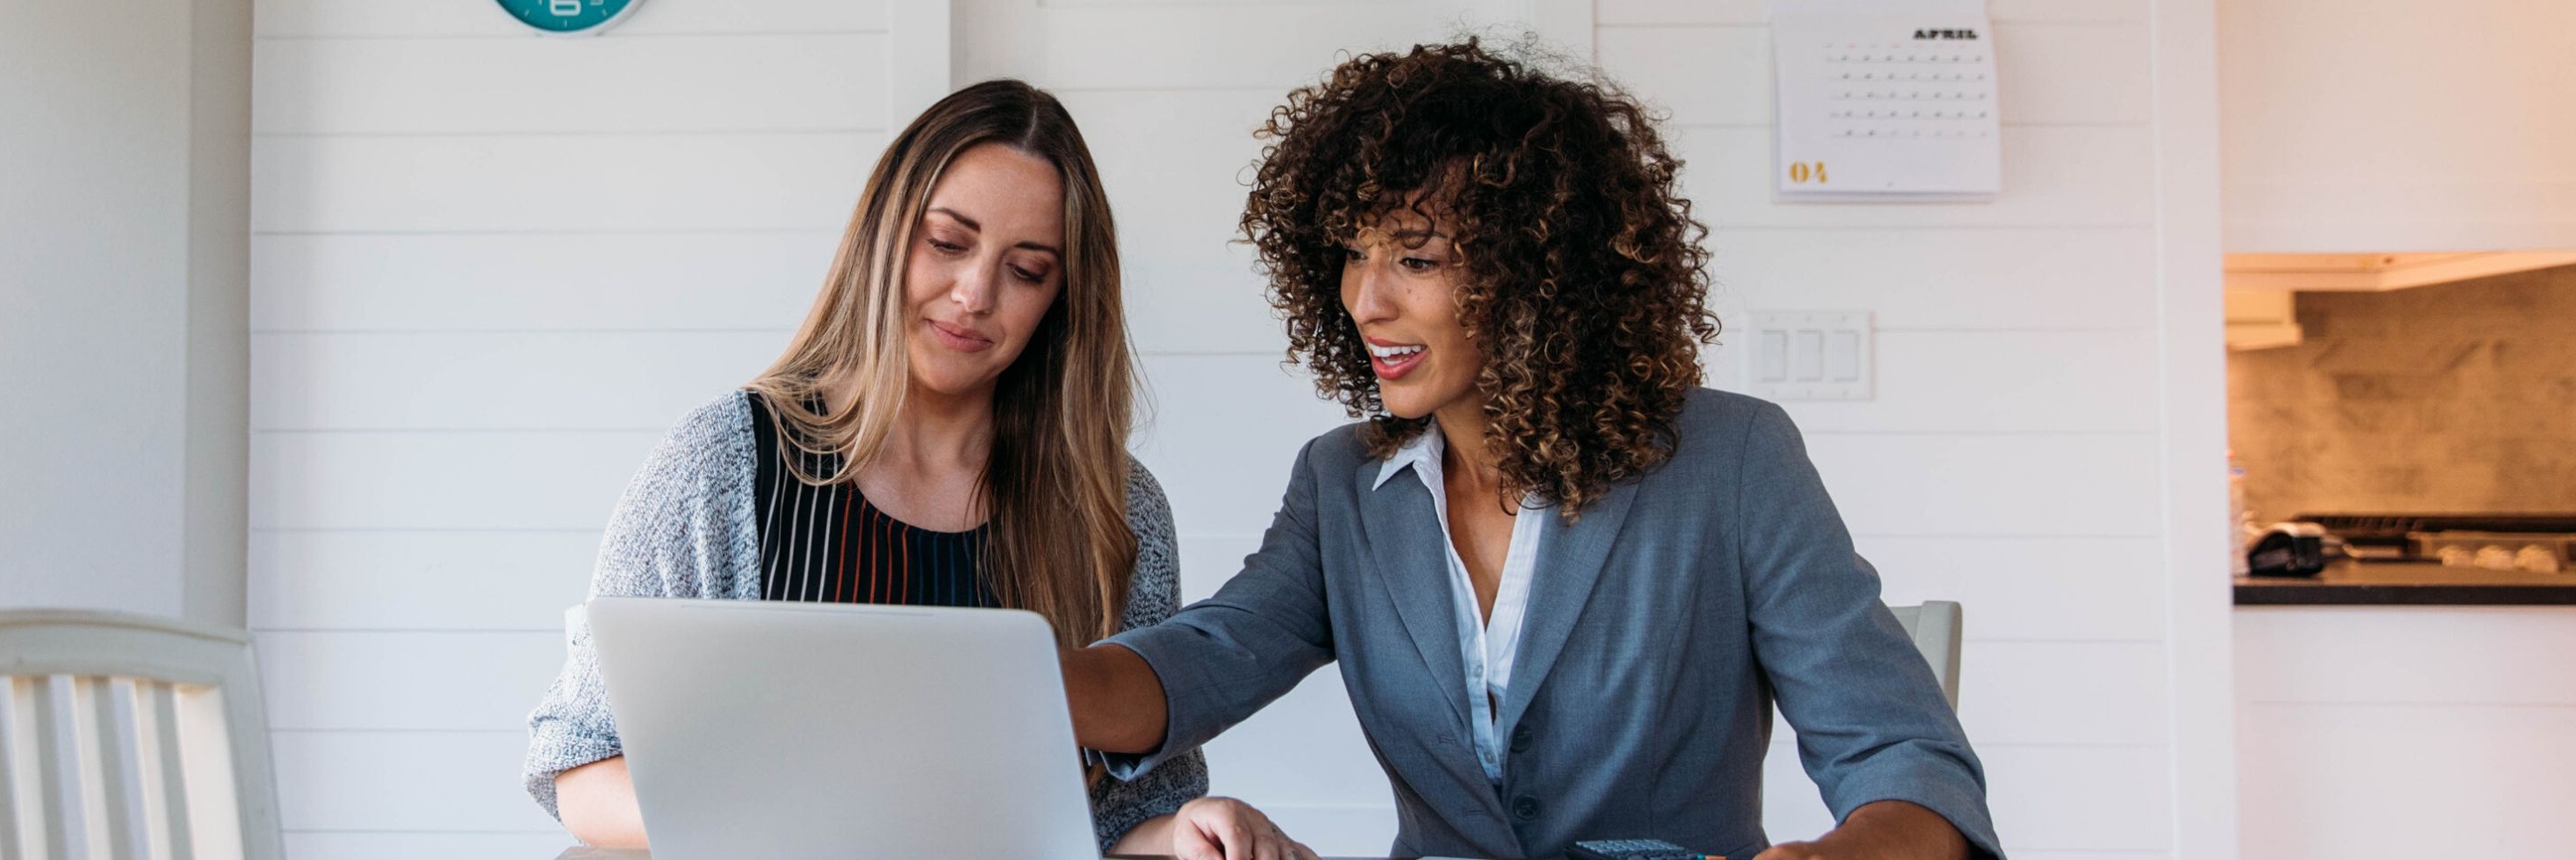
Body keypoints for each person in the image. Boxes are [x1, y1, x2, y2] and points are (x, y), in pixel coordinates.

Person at [1058, 41, 2007, 860]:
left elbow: (1903, 757)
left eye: (1417, 259)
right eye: (1353, 252)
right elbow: (1210, 655)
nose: (1365, 302)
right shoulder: (1343, 483)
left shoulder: (1734, 460)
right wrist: (1024, 686)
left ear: (1543, 275)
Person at [520, 79, 1297, 856]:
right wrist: (790, 832)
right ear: (885, 235)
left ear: (1062, 298)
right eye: (948, 243)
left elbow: (1121, 824)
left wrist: (1185, 833)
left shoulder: (1114, 506)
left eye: (1026, 271)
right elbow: (579, 760)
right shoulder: (724, 461)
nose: (974, 294)